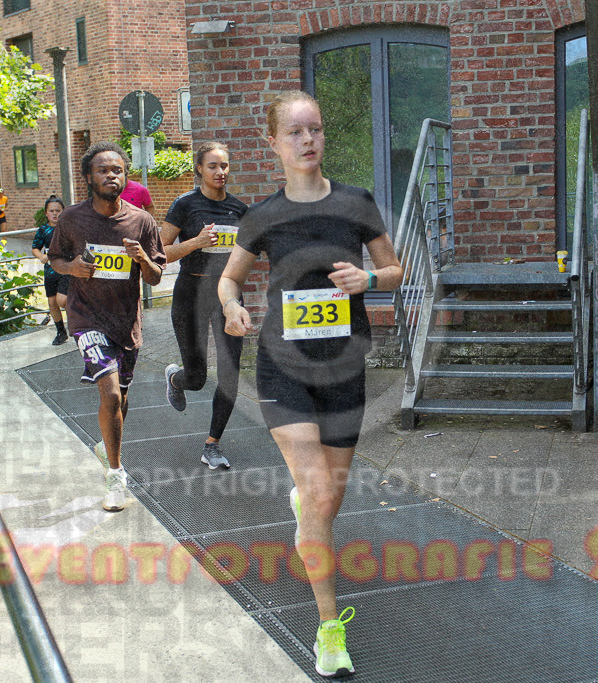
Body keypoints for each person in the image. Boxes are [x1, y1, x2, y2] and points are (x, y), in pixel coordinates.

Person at [218, 91, 402, 678]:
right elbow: (228, 280)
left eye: (315, 130)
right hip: (284, 370)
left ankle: (306, 507)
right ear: (274, 144)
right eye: (294, 133)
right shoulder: (264, 215)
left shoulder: (355, 203)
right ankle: (328, 628)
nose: (307, 140)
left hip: (344, 371)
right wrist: (232, 309)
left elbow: (395, 271)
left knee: (325, 501)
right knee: (319, 493)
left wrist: (368, 276)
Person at [49, 142, 166, 511]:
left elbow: (156, 277)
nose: (111, 176)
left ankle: (106, 445)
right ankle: (116, 476)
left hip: (125, 322)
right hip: (86, 318)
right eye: (103, 170)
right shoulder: (71, 219)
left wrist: (143, 257)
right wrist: (72, 269)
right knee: (111, 394)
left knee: (122, 398)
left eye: (117, 170)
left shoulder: (141, 222)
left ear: (125, 176)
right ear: (89, 177)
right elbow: (55, 258)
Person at [161, 142, 248, 470]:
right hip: (190, 295)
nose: (220, 172)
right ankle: (176, 379)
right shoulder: (184, 205)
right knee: (197, 377)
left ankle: (212, 444)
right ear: (199, 168)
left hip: (228, 299)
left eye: (224, 166)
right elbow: (159, 252)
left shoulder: (240, 210)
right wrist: (196, 242)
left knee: (230, 373)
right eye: (213, 166)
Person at [31, 195, 71, 345]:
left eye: (58, 211)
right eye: (51, 211)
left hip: (66, 270)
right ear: (46, 213)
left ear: (63, 212)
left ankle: (77, 319)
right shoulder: (43, 230)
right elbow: (35, 248)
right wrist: (41, 256)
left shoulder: (67, 228)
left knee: (62, 300)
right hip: (50, 272)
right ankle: (61, 331)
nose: (55, 214)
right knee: (52, 302)